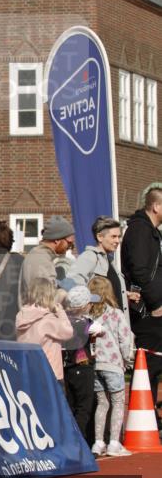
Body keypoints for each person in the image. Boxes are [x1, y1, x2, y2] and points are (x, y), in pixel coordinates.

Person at [121, 187, 162, 426]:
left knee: (155, 365)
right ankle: (145, 420)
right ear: (156, 206)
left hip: (153, 306)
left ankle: (151, 417)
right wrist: (155, 303)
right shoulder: (139, 231)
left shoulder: (151, 232)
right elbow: (139, 270)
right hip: (147, 311)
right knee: (151, 366)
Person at [88, 275, 135, 457]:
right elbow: (125, 339)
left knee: (102, 402)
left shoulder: (88, 315)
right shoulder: (116, 314)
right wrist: (127, 359)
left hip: (94, 365)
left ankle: (98, 442)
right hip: (113, 364)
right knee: (117, 402)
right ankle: (114, 442)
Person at [61, 282, 103, 441]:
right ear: (85, 306)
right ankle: (79, 442)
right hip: (83, 368)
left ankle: (71, 440)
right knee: (84, 407)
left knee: (71, 406)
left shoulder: (63, 321)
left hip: (67, 368)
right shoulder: (86, 324)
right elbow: (100, 330)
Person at [67, 216, 133, 313]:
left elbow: (105, 291)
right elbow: (71, 284)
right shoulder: (89, 257)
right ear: (100, 237)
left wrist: (124, 294)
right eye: (113, 236)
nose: (117, 241)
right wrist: (93, 305)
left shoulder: (109, 260)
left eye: (119, 237)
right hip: (100, 324)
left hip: (115, 324)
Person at [15, 277, 73, 384]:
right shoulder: (48, 320)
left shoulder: (22, 315)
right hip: (50, 372)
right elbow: (68, 332)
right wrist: (61, 313)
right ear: (50, 295)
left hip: (28, 370)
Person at [19, 216, 75, 305]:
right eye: (69, 243)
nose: (70, 247)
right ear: (57, 239)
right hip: (38, 318)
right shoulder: (40, 260)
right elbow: (43, 301)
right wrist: (64, 292)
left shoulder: (42, 257)